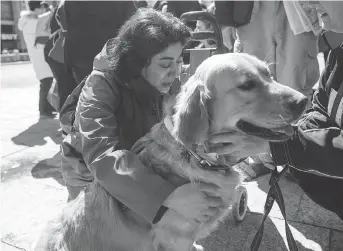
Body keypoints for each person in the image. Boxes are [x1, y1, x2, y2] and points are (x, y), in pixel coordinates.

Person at [60, 8, 224, 226]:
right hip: (87, 172)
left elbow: (183, 124)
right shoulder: (99, 86)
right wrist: (166, 196)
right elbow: (101, 157)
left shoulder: (166, 80)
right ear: (135, 63)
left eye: (178, 61)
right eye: (165, 63)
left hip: (135, 159)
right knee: (96, 228)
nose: (175, 72)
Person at [209, 1, 343, 220]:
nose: (311, 1)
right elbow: (321, 108)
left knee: (295, 85)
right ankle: (290, 158)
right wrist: (277, 144)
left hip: (294, 16)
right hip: (251, 12)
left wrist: (279, 147)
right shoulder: (338, 53)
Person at [63, 1, 139, 84]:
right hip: (109, 58)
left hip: (80, 57)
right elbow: (134, 25)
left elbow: (68, 25)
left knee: (86, 93)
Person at [18, 0, 55, 118]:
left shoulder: (28, 21)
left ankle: (47, 107)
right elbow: (44, 35)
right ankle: (44, 110)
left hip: (39, 54)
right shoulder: (33, 21)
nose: (44, 10)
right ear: (38, 8)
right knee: (46, 81)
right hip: (40, 54)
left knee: (47, 81)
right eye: (42, 8)